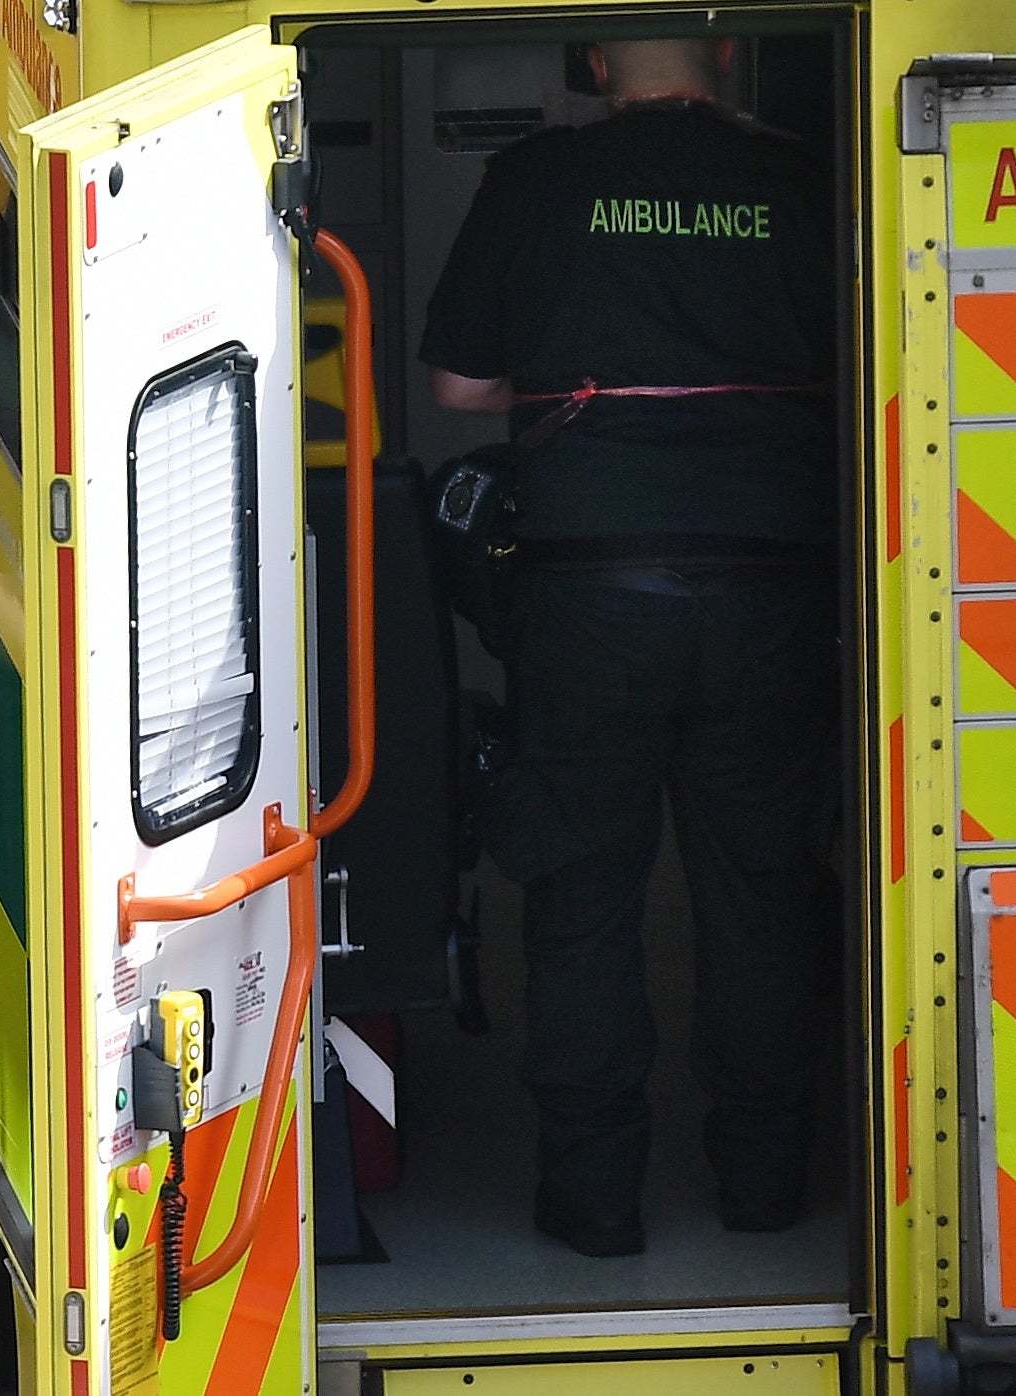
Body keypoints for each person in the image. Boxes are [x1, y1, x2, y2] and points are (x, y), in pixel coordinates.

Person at [421, 37, 837, 1256]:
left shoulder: (537, 182)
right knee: (759, 894)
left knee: (583, 897)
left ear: (592, 58)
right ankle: (763, 1186)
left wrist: (579, 380)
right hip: (770, 588)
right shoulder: (805, 178)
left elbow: (454, 386)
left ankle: (593, 1202)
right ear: (723, 47)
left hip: (587, 591)